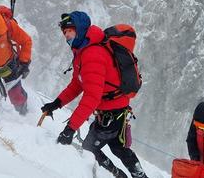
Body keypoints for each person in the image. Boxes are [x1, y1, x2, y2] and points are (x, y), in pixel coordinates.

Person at [41, 11, 148, 178]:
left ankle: (118, 175)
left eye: (70, 31)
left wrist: (70, 129)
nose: (67, 36)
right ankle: (137, 176)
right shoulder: (83, 50)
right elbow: (78, 84)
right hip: (117, 109)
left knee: (90, 148)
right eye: (65, 32)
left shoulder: (92, 55)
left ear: (81, 29)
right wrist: (57, 103)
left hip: (111, 112)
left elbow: (92, 97)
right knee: (118, 148)